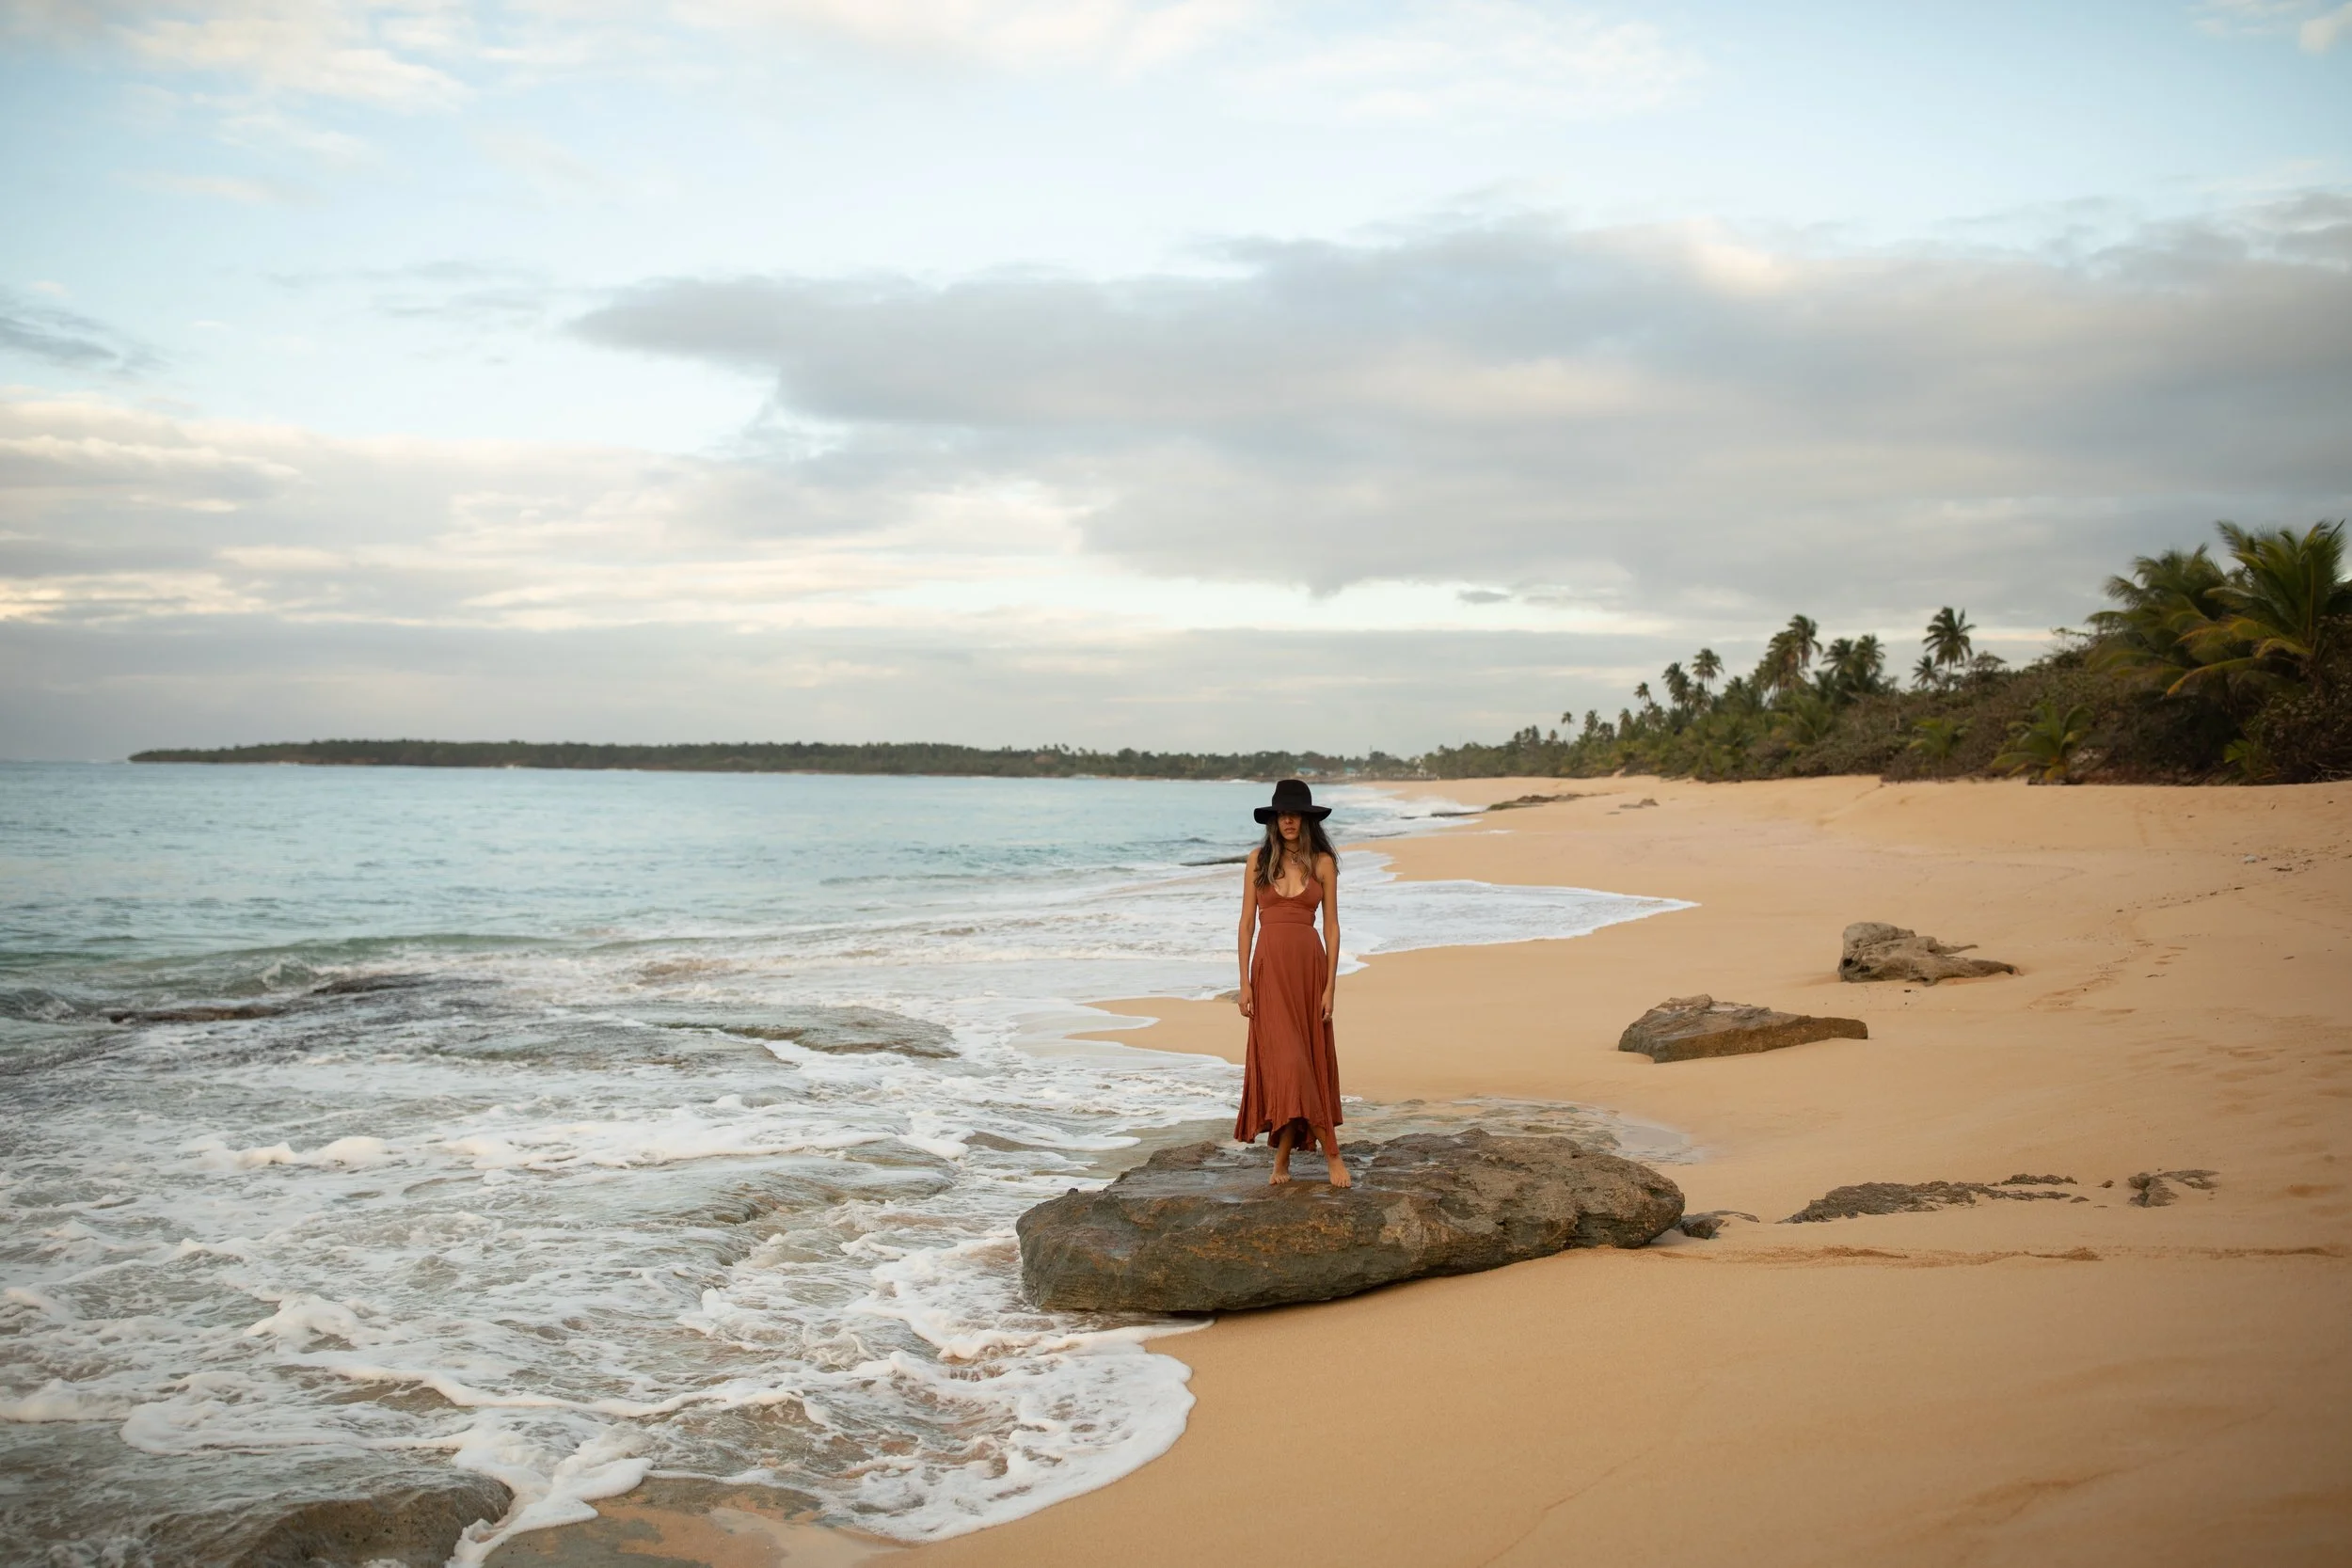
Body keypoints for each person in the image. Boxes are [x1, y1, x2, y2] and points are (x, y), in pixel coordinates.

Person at [1233, 778, 1350, 1186]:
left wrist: (1330, 986)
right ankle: (1331, 1153)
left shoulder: (1322, 863)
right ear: (1274, 819)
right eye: (1282, 814)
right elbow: (1247, 923)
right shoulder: (1257, 860)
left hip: (1308, 971)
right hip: (1268, 972)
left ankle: (1282, 1161)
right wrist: (1244, 982)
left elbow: (1332, 928)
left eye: (1294, 814)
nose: (1288, 820)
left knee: (1303, 1062)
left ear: (1305, 819)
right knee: (1288, 1064)